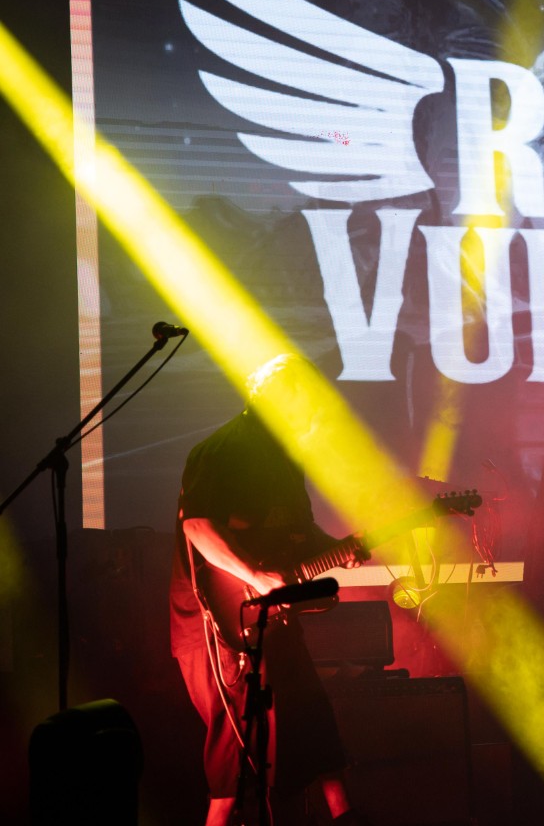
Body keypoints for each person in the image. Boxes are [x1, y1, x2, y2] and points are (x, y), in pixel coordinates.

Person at [169, 354, 367, 826]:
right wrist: (256, 579)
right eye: (305, 399)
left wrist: (342, 549)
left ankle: (346, 817)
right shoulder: (224, 449)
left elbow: (300, 534)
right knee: (237, 749)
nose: (312, 410)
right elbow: (197, 526)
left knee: (314, 720)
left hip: (273, 615)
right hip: (216, 623)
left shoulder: (286, 462)